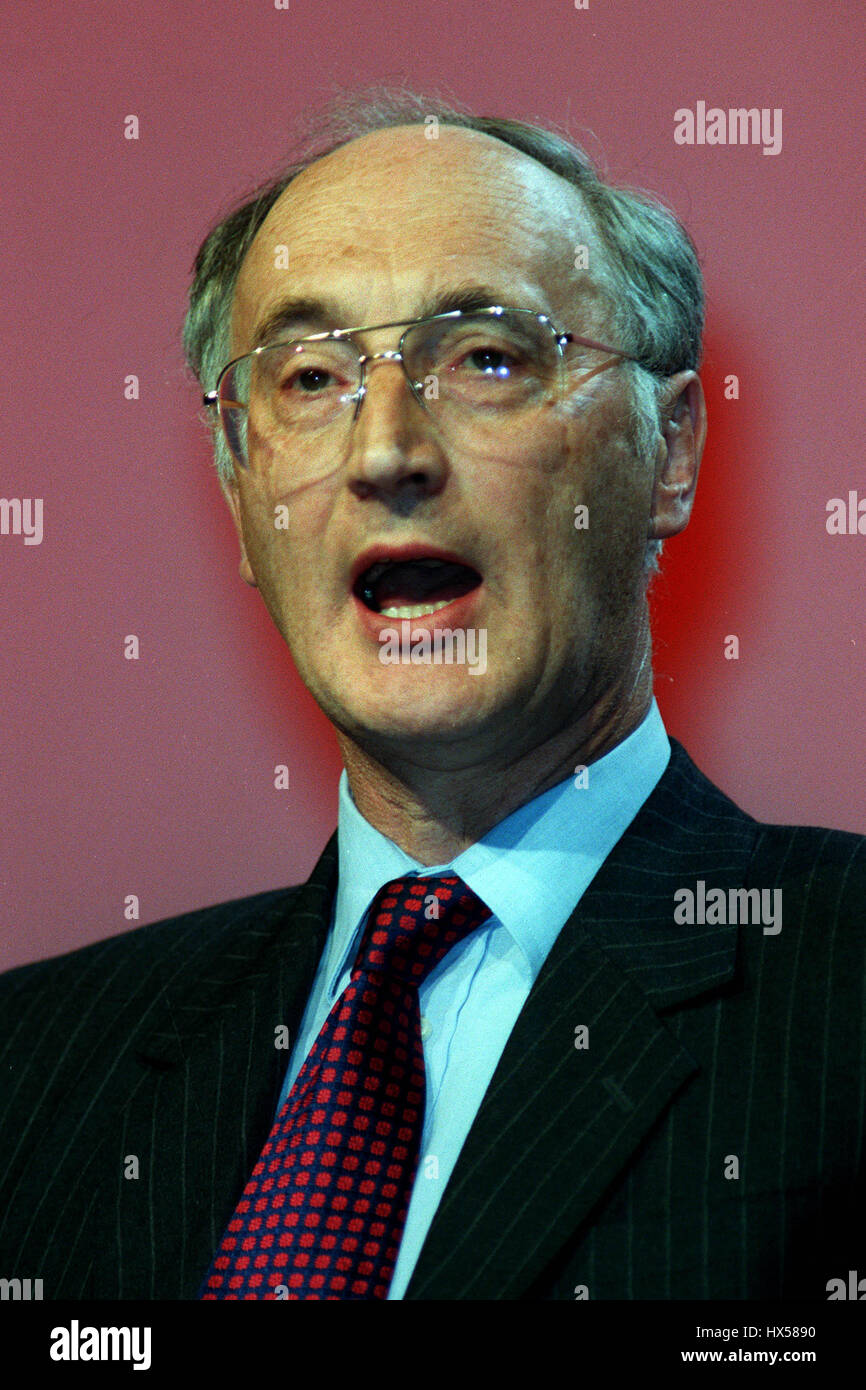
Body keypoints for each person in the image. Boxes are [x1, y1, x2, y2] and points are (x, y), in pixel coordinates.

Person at [1, 87, 863, 1302]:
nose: (385, 450)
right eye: (307, 379)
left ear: (667, 453)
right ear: (241, 495)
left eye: (486, 357)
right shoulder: (30, 1071)